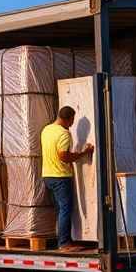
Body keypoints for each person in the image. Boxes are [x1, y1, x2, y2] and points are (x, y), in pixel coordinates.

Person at [41, 106, 94, 251]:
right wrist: (84, 153)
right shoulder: (64, 134)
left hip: (47, 175)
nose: (72, 124)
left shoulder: (46, 130)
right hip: (60, 177)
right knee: (65, 209)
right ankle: (64, 243)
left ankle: (63, 240)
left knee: (60, 209)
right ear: (67, 119)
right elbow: (63, 156)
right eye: (72, 120)